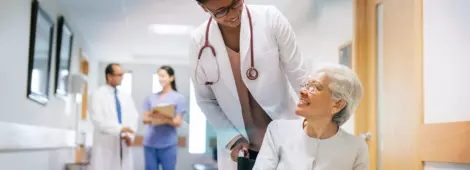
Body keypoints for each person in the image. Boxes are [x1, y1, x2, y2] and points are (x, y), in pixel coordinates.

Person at [189, 0, 309, 169]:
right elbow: (205, 100)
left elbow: (299, 75)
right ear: (204, 8)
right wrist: (232, 138)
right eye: (221, 11)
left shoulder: (270, 19)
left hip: (285, 136)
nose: (232, 15)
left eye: (235, 3)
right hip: (241, 147)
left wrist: (321, 118)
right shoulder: (199, 41)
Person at [253, 63, 370, 170]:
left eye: (314, 87)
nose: (302, 91)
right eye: (306, 85)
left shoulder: (356, 148)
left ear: (337, 104)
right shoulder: (277, 131)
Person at [89, 63, 139, 170]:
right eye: (119, 75)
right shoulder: (97, 94)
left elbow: (134, 118)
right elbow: (98, 120)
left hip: (124, 144)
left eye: (122, 75)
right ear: (109, 76)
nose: (122, 78)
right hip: (105, 144)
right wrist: (120, 129)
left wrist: (129, 136)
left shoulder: (126, 97)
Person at [142, 65, 188, 170]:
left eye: (163, 76)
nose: (160, 79)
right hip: (150, 143)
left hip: (168, 145)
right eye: (159, 76)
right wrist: (167, 118)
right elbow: (145, 120)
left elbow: (177, 122)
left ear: (171, 78)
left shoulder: (179, 98)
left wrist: (158, 116)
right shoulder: (150, 98)